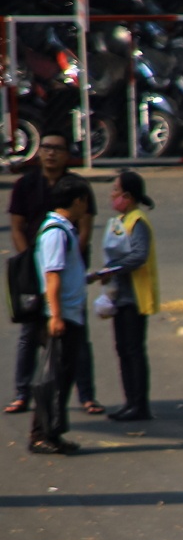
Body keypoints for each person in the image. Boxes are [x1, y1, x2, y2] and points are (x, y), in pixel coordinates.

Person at [8, 133, 95, 415]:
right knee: (30, 333)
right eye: (46, 148)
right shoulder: (26, 185)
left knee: (76, 339)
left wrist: (72, 255)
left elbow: (86, 227)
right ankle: (23, 393)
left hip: (65, 269)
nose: (51, 154)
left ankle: (86, 395)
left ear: (67, 154)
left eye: (57, 148)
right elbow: (17, 226)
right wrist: (30, 260)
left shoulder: (77, 186)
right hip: (37, 269)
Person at [26, 178, 92, 456]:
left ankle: (52, 432)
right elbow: (52, 276)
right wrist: (56, 316)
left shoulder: (65, 230)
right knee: (54, 379)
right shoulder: (56, 232)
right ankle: (41, 434)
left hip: (69, 313)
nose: (86, 207)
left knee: (62, 378)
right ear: (77, 201)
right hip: (61, 316)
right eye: (85, 201)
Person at [88, 170, 158, 421]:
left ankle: (139, 404)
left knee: (132, 350)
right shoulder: (124, 219)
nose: (112, 194)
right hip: (122, 296)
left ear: (127, 196)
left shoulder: (137, 221)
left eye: (115, 190)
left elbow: (138, 256)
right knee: (124, 350)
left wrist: (108, 271)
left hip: (134, 297)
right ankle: (131, 401)